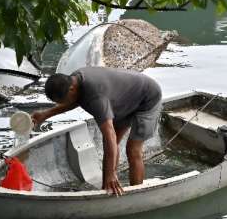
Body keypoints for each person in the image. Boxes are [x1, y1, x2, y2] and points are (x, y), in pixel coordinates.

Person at [31, 66, 162, 196]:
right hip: (123, 100)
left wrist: (110, 173)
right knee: (111, 145)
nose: (61, 104)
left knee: (132, 150)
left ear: (71, 88)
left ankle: (137, 194)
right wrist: (45, 114)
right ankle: (107, 188)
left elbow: (109, 135)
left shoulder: (95, 96)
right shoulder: (73, 80)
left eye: (61, 101)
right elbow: (74, 100)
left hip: (147, 97)